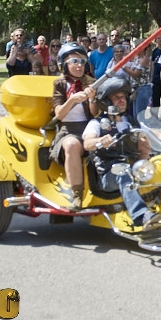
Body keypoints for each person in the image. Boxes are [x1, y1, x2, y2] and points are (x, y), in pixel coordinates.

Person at [82, 79, 161, 231]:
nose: (122, 100)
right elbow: (87, 143)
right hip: (108, 175)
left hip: (131, 170)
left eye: (123, 97)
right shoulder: (98, 123)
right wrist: (100, 140)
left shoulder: (131, 122)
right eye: (116, 97)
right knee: (122, 170)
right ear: (107, 102)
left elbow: (149, 139)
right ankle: (141, 215)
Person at [51, 43, 96, 210]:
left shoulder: (92, 82)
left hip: (91, 128)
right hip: (68, 130)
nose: (79, 65)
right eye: (74, 61)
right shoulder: (60, 84)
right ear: (64, 65)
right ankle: (76, 195)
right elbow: (59, 115)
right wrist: (72, 100)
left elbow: (96, 114)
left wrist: (92, 99)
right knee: (71, 145)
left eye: (82, 61)